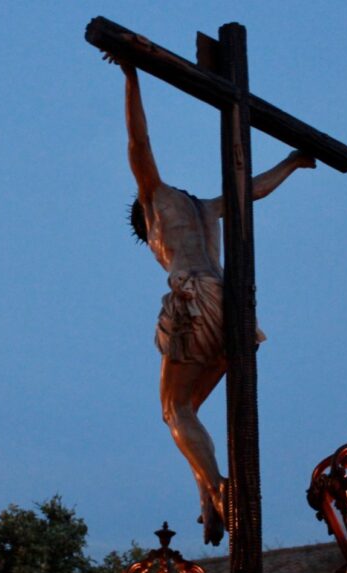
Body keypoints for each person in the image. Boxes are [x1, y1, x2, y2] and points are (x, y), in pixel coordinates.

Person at [118, 61, 315, 545]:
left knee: (173, 409)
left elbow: (138, 145)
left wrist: (131, 75)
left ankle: (221, 488)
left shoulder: (155, 199)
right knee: (187, 414)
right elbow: (251, 191)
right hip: (235, 307)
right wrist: (292, 161)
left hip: (196, 299)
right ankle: (209, 496)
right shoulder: (205, 208)